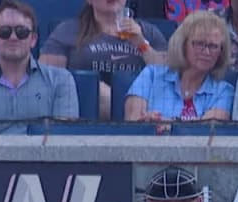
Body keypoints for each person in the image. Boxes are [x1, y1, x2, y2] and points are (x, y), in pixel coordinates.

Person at [0, 0, 78, 134]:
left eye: (22, 32)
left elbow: (63, 141)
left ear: (33, 39)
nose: (13, 37)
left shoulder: (61, 80)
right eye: (4, 31)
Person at [39, 0, 168, 119]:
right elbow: (46, 79)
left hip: (140, 112)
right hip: (85, 114)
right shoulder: (68, 30)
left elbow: (167, 78)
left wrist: (142, 45)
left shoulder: (149, 32)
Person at [124, 10, 234, 121]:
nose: (206, 52)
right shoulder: (151, 76)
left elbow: (208, 130)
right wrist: (146, 122)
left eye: (213, 46)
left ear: (221, 52)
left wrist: (166, 124)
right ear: (182, 44)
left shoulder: (223, 91)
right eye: (199, 43)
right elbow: (132, 124)